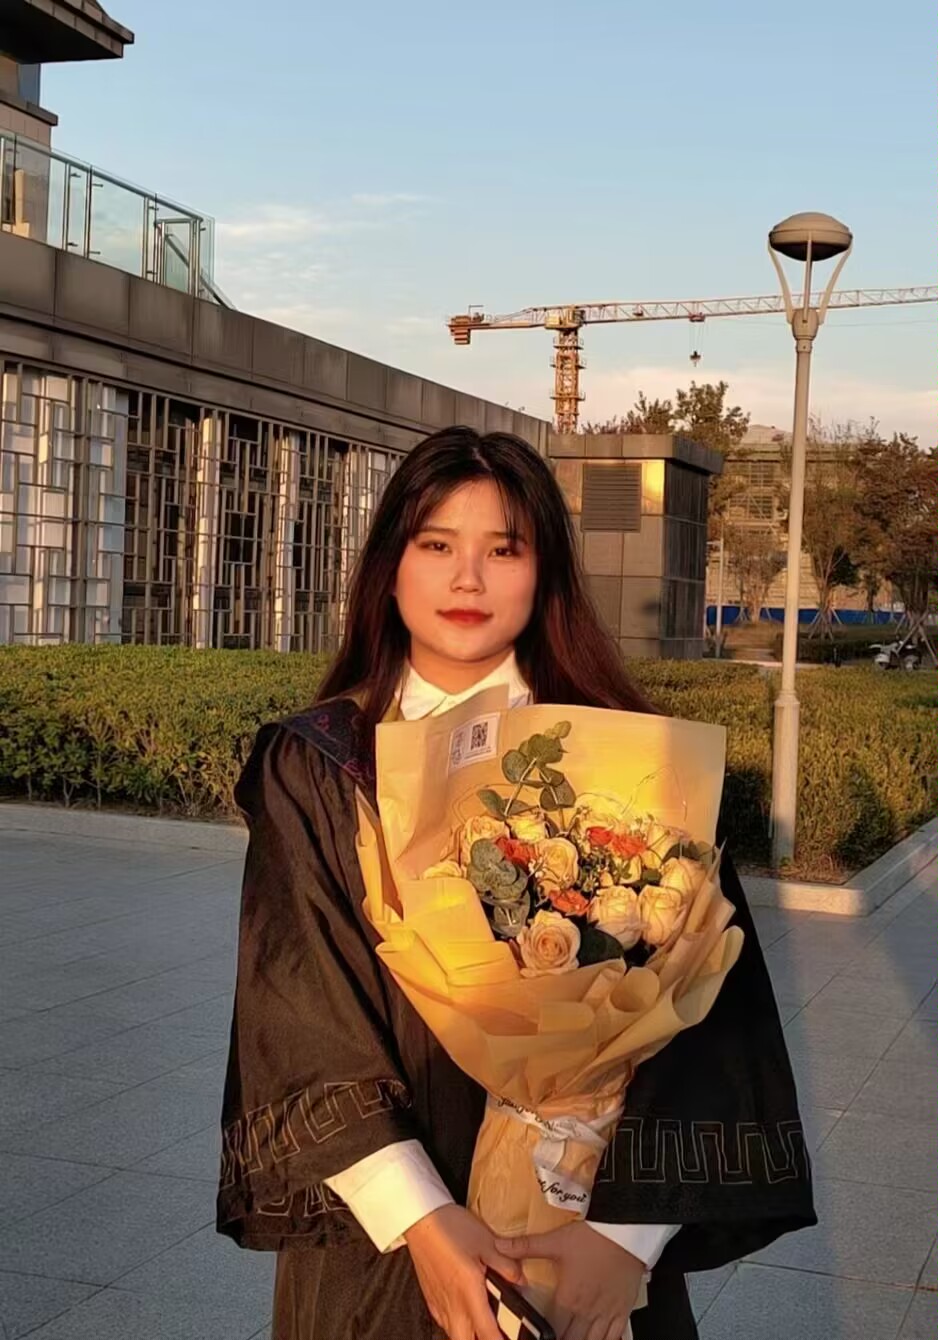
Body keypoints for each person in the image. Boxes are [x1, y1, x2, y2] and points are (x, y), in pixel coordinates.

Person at [217, 427, 815, 1340]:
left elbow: (708, 1009)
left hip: (593, 1227)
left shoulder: (633, 759)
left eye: (504, 550)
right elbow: (300, 1007)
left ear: (544, 574)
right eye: (437, 545)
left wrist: (625, 1239)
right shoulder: (321, 765)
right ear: (389, 568)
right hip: (391, 1243)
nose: (468, 579)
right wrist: (424, 1220)